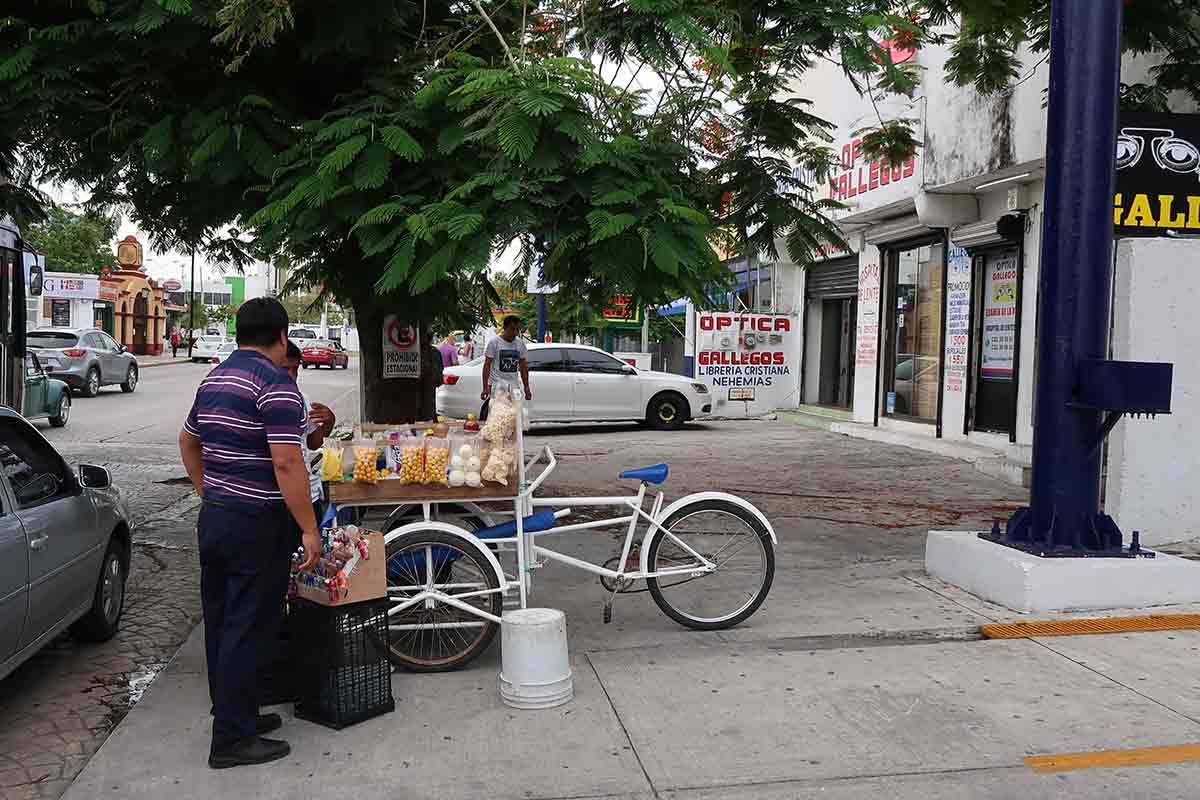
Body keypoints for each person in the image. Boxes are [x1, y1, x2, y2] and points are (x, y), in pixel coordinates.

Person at [178, 297, 320, 770]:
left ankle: (234, 715)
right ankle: (232, 741)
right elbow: (286, 461)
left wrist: (209, 490)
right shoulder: (276, 384)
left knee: (222, 621)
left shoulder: (214, 378)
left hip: (217, 517)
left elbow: (188, 440)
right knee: (249, 626)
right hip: (255, 523)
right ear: (282, 337)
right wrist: (309, 529)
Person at [283, 341, 336, 524]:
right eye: (285, 369)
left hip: (309, 493)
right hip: (280, 499)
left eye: (295, 369)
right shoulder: (263, 401)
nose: (291, 375)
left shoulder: (302, 399)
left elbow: (312, 443)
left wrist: (328, 423)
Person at [480, 315, 532, 419]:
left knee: (514, 417)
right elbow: (487, 365)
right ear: (505, 328)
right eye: (512, 329)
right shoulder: (494, 343)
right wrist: (485, 387)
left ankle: (513, 435)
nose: (515, 332)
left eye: (517, 329)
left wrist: (527, 387)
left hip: (514, 386)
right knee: (499, 418)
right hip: (498, 386)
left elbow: (523, 366)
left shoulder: (520, 344)